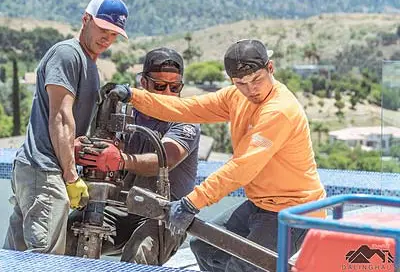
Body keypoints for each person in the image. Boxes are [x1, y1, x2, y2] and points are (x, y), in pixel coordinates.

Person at [107, 39, 327, 271]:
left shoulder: (279, 111)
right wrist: (133, 96)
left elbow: (241, 168)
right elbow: (185, 108)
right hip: (259, 205)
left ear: (270, 68)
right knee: (204, 248)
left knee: (242, 267)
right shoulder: (236, 97)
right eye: (241, 82)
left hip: (294, 211)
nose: (251, 89)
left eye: (257, 80)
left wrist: (192, 202)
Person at [3, 0, 129, 255]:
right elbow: (60, 117)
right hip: (46, 170)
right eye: (103, 29)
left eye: (114, 34)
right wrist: (71, 176)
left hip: (37, 169)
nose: (108, 38)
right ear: (85, 19)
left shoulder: (89, 63)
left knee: (14, 258)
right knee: (44, 261)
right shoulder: (67, 54)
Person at [67, 47, 201, 265]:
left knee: (140, 252)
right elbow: (100, 146)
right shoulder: (124, 114)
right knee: (69, 235)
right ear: (143, 83)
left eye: (174, 87)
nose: (167, 93)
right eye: (160, 86)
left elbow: (164, 160)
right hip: (120, 209)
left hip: (164, 214)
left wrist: (121, 159)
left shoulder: (186, 120)